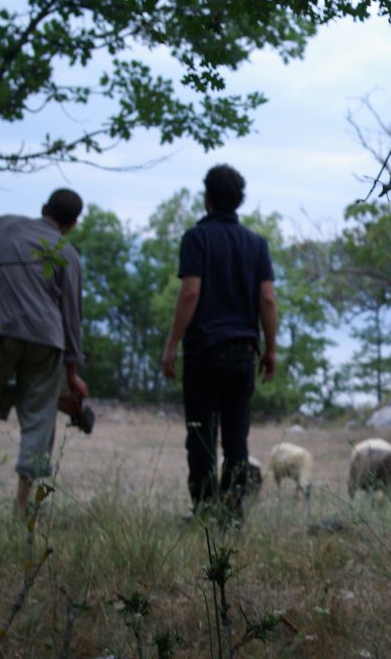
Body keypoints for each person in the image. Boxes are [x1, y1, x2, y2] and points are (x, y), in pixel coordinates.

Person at [162, 164, 278, 521]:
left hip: (204, 353)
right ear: (239, 200)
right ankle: (232, 511)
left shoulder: (197, 238)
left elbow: (190, 291)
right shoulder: (257, 244)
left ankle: (203, 511)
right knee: (236, 437)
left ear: (207, 197)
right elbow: (268, 300)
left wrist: (171, 346)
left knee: (201, 436)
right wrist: (270, 349)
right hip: (243, 353)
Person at [0, 188, 89, 516]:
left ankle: (22, 504)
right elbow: (72, 317)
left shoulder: (4, 226)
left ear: (43, 207)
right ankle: (23, 504)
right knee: (39, 419)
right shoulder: (68, 253)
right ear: (73, 223)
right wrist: (72, 374)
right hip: (47, 340)